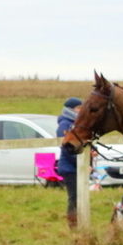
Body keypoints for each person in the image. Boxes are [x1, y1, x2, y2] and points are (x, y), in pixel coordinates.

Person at [55, 97, 83, 228]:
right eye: (78, 108)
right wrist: (81, 165)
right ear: (70, 109)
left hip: (76, 166)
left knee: (80, 196)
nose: (81, 110)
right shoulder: (65, 125)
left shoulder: (76, 124)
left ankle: (79, 221)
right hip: (69, 167)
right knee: (74, 197)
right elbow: (67, 150)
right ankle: (73, 224)